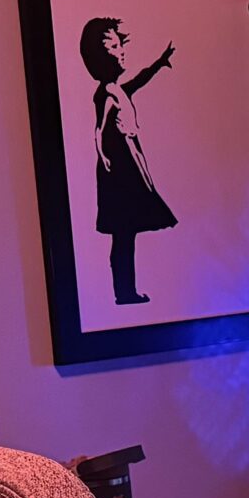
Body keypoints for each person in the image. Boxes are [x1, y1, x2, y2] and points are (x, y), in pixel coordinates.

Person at [79, 17, 176, 306]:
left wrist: (159, 63)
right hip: (118, 168)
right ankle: (124, 292)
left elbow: (138, 81)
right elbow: (98, 129)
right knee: (123, 235)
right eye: (112, 46)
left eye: (119, 44)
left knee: (126, 234)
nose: (120, 51)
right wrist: (103, 154)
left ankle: (126, 292)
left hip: (126, 163)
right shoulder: (106, 93)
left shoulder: (118, 89)